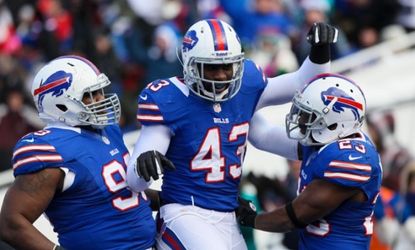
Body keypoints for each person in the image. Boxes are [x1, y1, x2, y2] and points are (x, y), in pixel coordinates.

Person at [126, 18, 337, 249]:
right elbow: (134, 183)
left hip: (228, 212)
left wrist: (320, 50)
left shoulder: (245, 86)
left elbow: (300, 83)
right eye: (211, 67)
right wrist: (142, 167)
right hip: (185, 211)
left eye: (227, 66)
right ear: (189, 64)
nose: (220, 76)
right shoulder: (168, 99)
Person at [0, 55, 156, 249]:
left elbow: (118, 190)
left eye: (100, 92)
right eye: (90, 95)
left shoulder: (107, 129)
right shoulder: (51, 148)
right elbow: (11, 222)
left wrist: (176, 198)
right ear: (61, 103)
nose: (101, 99)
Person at [236, 73, 383, 249]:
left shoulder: (352, 159)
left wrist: (250, 218)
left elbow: (293, 217)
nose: (301, 120)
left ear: (335, 121)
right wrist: (237, 103)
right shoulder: (327, 141)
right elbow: (263, 135)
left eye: (309, 115)